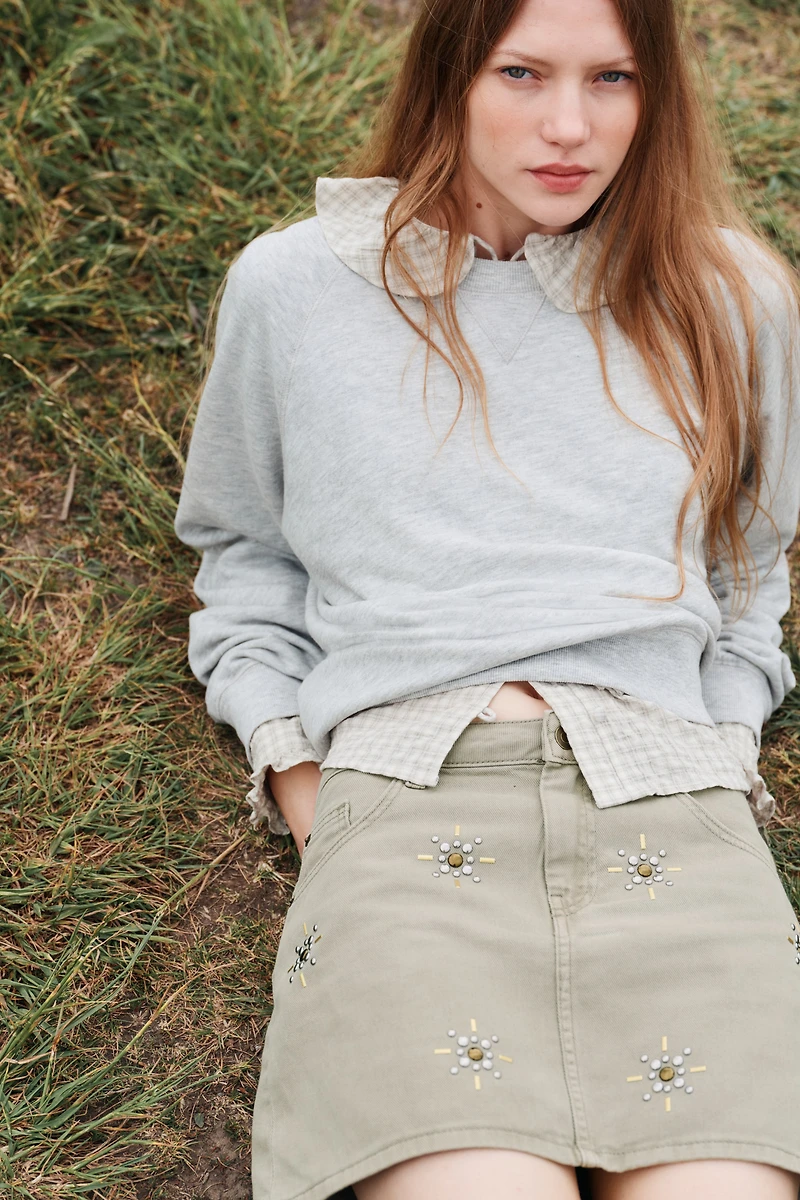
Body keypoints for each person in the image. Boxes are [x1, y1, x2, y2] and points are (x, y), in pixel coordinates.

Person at [173, 0, 800, 1195]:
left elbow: (744, 572)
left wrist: (721, 747)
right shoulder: (294, 289)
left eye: (610, 78)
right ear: (450, 72)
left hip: (671, 812)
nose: (568, 125)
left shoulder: (733, 296)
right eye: (522, 72)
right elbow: (245, 559)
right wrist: (309, 794)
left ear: (653, 89)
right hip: (406, 812)